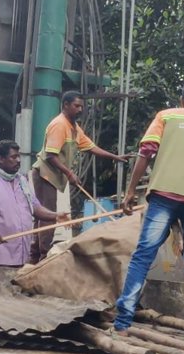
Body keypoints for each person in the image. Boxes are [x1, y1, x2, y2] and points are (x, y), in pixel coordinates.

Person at [113, 78, 184, 333]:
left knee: (144, 253)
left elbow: (146, 152)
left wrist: (131, 191)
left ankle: (123, 320)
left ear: (181, 100)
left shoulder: (166, 117)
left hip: (164, 194)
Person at [29, 91, 129, 263]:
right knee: (48, 216)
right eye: (76, 106)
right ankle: (41, 256)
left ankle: (36, 255)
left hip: (54, 176)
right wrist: (69, 173)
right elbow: (50, 156)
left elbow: (91, 147)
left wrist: (114, 157)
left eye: (82, 106)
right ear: (65, 105)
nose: (80, 109)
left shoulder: (74, 128)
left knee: (46, 216)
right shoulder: (59, 125)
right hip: (45, 174)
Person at [0, 140, 65, 267]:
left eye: (19, 156)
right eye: (13, 157)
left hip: (21, 257)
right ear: (1, 159)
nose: (18, 160)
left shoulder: (21, 180)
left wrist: (56, 215)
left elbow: (34, 207)